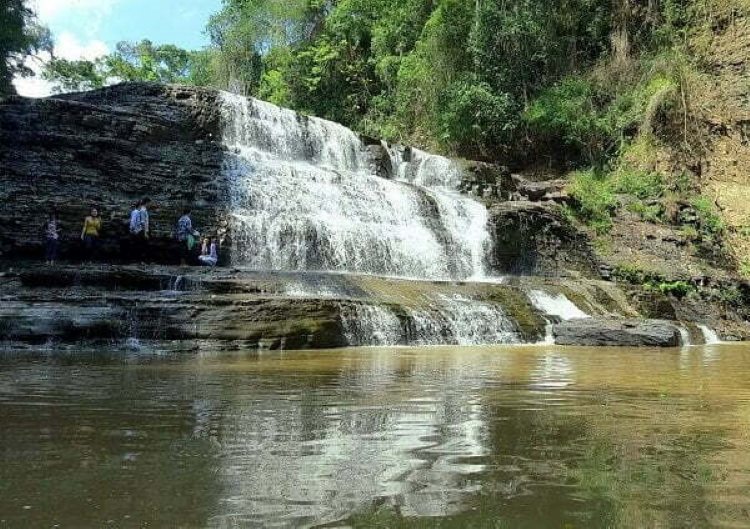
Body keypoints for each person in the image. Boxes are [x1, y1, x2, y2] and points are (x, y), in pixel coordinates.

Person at [129, 197, 151, 262]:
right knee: (141, 246)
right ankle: (140, 260)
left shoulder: (140, 211)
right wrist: (144, 232)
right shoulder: (139, 211)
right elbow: (140, 222)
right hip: (140, 231)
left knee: (140, 246)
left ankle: (139, 260)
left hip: (140, 231)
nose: (150, 204)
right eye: (149, 203)